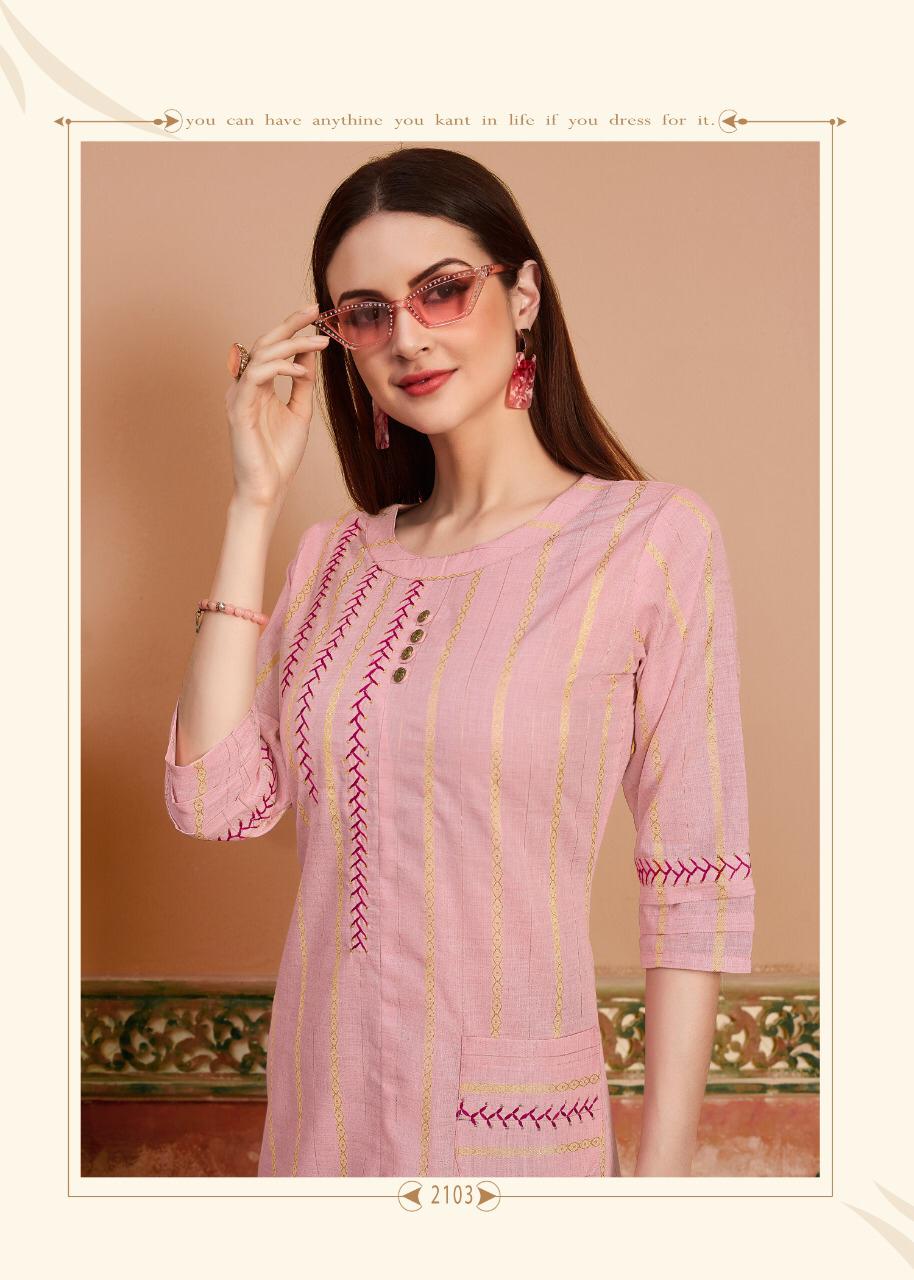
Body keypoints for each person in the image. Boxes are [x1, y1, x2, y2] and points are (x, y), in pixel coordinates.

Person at [163, 145, 755, 1179]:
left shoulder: (650, 541)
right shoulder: (335, 560)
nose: (408, 335)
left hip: (516, 1140)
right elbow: (213, 802)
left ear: (523, 295)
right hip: (321, 1131)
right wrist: (253, 501)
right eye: (366, 313)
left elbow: (691, 883)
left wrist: (659, 1203)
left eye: (442, 289)